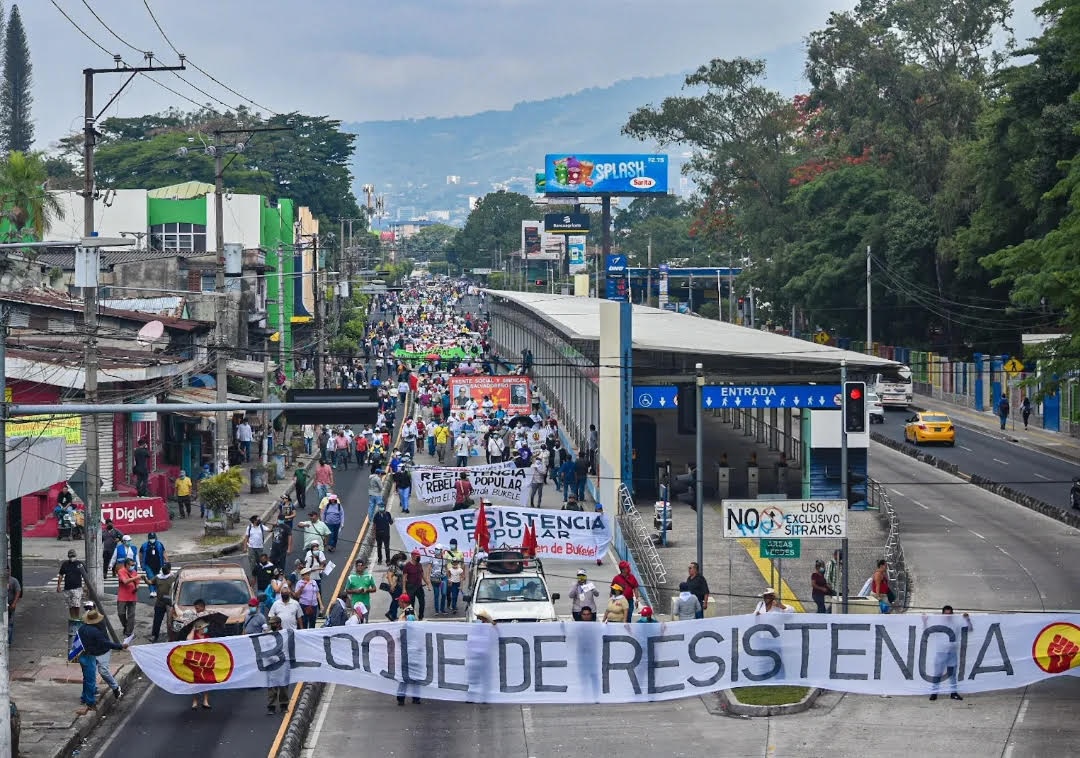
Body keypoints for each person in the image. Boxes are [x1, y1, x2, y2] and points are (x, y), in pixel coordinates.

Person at [74, 609, 128, 715]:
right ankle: (90, 703)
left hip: (83, 655)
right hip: (90, 656)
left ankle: (84, 697)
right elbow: (105, 643)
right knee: (91, 680)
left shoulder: (82, 628)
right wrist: (120, 646)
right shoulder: (95, 631)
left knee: (86, 678)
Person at [925, 605, 973, 701]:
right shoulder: (938, 624)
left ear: (952, 614)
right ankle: (934, 693)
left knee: (952, 674)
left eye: (949, 614)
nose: (947, 616)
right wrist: (925, 621)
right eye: (946, 614)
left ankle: (953, 693)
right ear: (942, 614)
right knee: (938, 673)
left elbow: (970, 629)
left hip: (952, 654)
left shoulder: (956, 624)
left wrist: (967, 619)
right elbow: (927, 632)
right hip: (941, 653)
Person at [188, 619, 213, 710]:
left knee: (206, 681)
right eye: (204, 627)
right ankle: (195, 701)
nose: (206, 629)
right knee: (195, 682)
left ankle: (205, 701)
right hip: (195, 663)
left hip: (205, 663)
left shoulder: (207, 637)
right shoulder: (193, 637)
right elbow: (188, 640)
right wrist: (193, 629)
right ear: (199, 629)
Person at [149, 562, 177, 642]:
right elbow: (150, 582)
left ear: (169, 569)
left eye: (166, 569)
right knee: (157, 620)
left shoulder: (173, 578)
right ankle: (154, 635)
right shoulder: (158, 577)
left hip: (170, 603)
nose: (164, 570)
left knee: (170, 621)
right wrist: (144, 579)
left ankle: (171, 637)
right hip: (159, 602)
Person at [57, 548, 85, 623]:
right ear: (68, 557)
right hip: (67, 588)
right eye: (70, 556)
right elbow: (60, 575)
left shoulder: (80, 564)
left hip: (77, 588)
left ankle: (77, 618)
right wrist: (58, 586)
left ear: (76, 556)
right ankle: (73, 619)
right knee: (70, 605)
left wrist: (86, 587)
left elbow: (85, 576)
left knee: (76, 604)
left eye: (73, 556)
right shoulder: (65, 564)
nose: (72, 558)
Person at [116, 556, 140, 636]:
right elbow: (125, 581)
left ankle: (129, 632)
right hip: (122, 596)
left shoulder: (134, 572)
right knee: (121, 613)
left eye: (134, 565)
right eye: (131, 565)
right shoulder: (121, 571)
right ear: (126, 565)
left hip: (132, 596)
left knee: (131, 615)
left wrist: (137, 587)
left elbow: (137, 582)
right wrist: (135, 578)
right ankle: (126, 626)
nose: (133, 566)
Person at [403, 549, 430, 620]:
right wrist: (404, 589)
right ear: (412, 556)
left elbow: (422, 575)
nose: (418, 558)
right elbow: (404, 578)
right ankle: (411, 618)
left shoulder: (419, 565)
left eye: (419, 556)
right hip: (410, 587)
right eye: (417, 556)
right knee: (411, 604)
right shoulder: (407, 566)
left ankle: (421, 617)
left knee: (422, 602)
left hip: (419, 586)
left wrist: (428, 584)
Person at [139, 532, 167, 598]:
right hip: (148, 564)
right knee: (150, 577)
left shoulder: (159, 544)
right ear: (148, 539)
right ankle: (152, 591)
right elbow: (140, 553)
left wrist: (167, 560)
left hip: (158, 564)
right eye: (151, 538)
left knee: (157, 578)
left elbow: (163, 552)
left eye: (153, 538)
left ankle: (156, 590)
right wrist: (141, 562)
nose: (152, 539)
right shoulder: (144, 545)